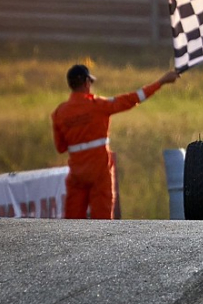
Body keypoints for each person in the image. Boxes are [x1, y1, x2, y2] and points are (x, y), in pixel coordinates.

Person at [51, 64, 179, 219]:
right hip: (99, 174)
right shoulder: (98, 106)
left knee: (72, 226)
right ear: (86, 83)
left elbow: (61, 147)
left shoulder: (60, 113)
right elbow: (131, 99)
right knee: (102, 225)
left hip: (77, 176)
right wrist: (161, 82)